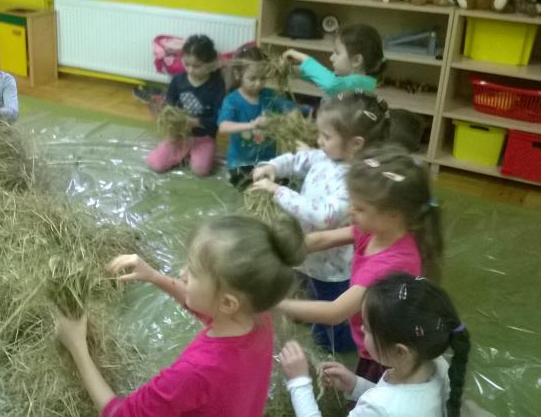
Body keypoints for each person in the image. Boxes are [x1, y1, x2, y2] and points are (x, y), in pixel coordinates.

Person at [55, 214, 306, 416]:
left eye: (193, 272)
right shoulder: (259, 318)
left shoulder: (196, 372)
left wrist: (77, 346)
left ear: (228, 303)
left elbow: (122, 414)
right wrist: (154, 276)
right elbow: (211, 312)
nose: (182, 273)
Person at [275, 144, 443, 383]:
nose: (351, 211)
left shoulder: (392, 264)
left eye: (360, 207)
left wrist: (276, 303)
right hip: (369, 334)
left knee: (370, 392)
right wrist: (277, 248)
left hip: (385, 352)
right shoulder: (376, 229)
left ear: (393, 214)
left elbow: (335, 312)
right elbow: (322, 239)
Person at [251, 91, 390, 352]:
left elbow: (324, 217)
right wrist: (273, 166)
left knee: (331, 330)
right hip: (307, 251)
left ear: (356, 143)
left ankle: (348, 342)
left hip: (332, 266)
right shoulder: (327, 157)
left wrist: (277, 190)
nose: (319, 141)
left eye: (326, 137)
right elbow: (298, 160)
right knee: (303, 286)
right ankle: (307, 310)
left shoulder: (356, 179)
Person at [279, 272, 470, 417]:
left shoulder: (376, 407)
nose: (362, 328)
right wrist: (355, 385)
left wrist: (299, 382)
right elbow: (399, 401)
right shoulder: (437, 364)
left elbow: (387, 407)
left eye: (368, 328)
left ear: (400, 351)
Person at [217, 46, 296, 190]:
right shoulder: (232, 100)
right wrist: (252, 125)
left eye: (263, 78)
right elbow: (223, 127)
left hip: (269, 160)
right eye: (252, 78)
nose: (258, 83)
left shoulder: (269, 95)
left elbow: (291, 109)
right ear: (238, 75)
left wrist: (285, 121)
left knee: (283, 184)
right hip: (242, 161)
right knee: (248, 186)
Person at [146, 34, 225, 176]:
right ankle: (181, 152)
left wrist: (197, 122)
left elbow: (219, 119)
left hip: (203, 137)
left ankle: (192, 153)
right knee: (155, 164)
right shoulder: (178, 80)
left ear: (211, 64)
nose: (190, 70)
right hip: (179, 135)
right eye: (187, 64)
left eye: (197, 66)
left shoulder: (217, 85)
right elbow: (169, 104)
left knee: (200, 170)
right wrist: (165, 115)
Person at [283, 24, 385, 98]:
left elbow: (330, 84)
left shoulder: (360, 83)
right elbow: (320, 80)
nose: (331, 58)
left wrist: (304, 58)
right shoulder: (353, 80)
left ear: (356, 60)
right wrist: (294, 71)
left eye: (337, 53)